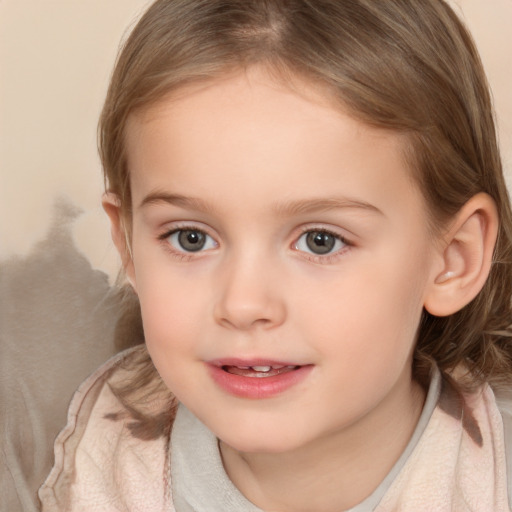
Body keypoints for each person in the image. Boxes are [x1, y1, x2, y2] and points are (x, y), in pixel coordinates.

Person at [38, 0, 512, 510]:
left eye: (320, 241)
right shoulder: (83, 458)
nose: (243, 304)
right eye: (190, 238)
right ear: (127, 243)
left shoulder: (489, 479)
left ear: (453, 259)